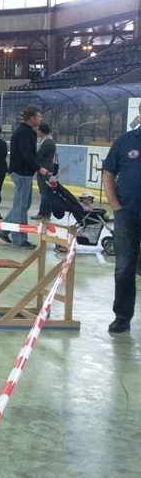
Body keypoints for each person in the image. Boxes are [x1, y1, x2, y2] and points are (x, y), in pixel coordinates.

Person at [102, 101, 141, 334]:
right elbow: (108, 172)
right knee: (124, 267)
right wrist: (115, 204)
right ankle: (122, 316)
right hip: (127, 214)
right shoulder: (125, 141)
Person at [0, 105, 50, 248]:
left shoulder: (27, 132)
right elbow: (26, 154)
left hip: (25, 172)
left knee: (23, 205)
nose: (41, 119)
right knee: (21, 207)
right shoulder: (24, 133)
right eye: (39, 116)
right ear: (32, 118)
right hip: (21, 172)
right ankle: (19, 239)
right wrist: (39, 168)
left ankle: (3, 229)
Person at [31, 122, 57, 221]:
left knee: (44, 191)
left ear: (42, 131)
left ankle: (43, 212)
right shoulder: (46, 140)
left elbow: (38, 154)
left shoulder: (47, 142)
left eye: (38, 130)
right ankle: (45, 212)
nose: (37, 132)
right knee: (44, 190)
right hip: (46, 166)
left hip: (45, 167)